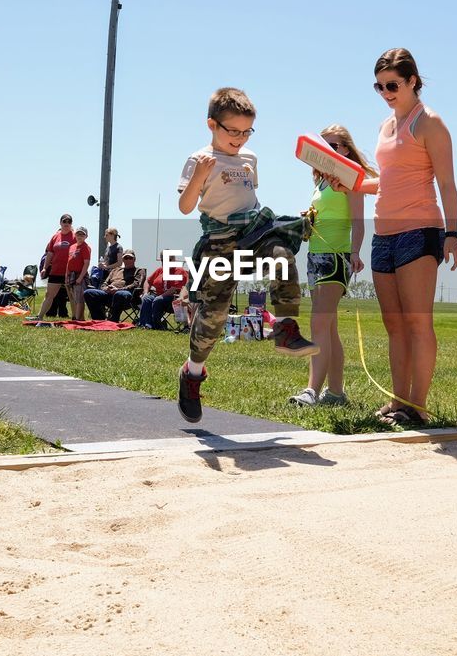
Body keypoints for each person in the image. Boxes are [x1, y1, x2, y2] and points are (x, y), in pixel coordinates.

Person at [176, 87, 316, 423]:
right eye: (232, 131)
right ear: (212, 124)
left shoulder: (250, 158)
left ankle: (284, 326)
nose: (239, 139)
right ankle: (192, 373)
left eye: (246, 131)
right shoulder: (199, 160)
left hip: (252, 232)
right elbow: (184, 207)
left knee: (281, 254)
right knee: (215, 313)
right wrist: (198, 177)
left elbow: (247, 198)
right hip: (220, 241)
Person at [344, 49, 457, 427]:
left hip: (419, 231)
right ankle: (398, 402)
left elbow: (446, 183)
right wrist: (351, 181)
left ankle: (419, 406)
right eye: (379, 86)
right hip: (384, 235)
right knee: (393, 324)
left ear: (413, 81)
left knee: (417, 323)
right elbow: (388, 181)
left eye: (392, 85)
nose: (385, 92)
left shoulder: (430, 123)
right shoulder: (385, 127)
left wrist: (452, 234)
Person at [290, 125, 374, 407]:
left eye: (334, 147)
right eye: (324, 148)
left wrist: (355, 252)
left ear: (346, 149)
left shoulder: (351, 179)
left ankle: (311, 391)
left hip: (335, 258)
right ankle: (336, 394)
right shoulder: (321, 181)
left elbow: (358, 221)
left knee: (319, 322)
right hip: (315, 255)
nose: (328, 153)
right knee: (329, 327)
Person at [30, 214, 76, 321]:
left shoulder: (74, 237)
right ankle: (40, 316)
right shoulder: (55, 236)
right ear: (60, 222)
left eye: (69, 222)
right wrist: (45, 268)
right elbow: (49, 254)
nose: (66, 224)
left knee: (72, 296)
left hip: (69, 272)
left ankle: (75, 318)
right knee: (49, 295)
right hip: (55, 271)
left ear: (71, 224)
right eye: (64, 221)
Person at [86, 248, 145, 322]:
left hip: (127, 298)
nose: (128, 260)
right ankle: (99, 320)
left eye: (130, 258)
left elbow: (137, 284)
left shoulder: (139, 271)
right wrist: (106, 288)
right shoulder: (115, 270)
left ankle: (113, 320)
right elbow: (104, 283)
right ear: (123, 260)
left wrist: (118, 290)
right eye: (126, 258)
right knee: (89, 293)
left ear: (134, 259)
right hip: (109, 294)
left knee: (120, 294)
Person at [139, 251, 188, 329]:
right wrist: (145, 292)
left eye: (168, 260)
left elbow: (174, 288)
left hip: (172, 298)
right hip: (158, 295)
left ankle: (157, 325)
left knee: (158, 300)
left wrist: (161, 296)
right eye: (163, 260)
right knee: (146, 298)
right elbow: (148, 281)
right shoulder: (159, 270)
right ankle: (146, 324)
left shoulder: (179, 271)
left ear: (173, 260)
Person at [66, 226, 93, 321]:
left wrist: (80, 277)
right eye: (78, 234)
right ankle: (80, 318)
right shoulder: (72, 247)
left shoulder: (85, 247)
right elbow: (69, 262)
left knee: (80, 299)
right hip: (71, 275)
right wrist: (67, 275)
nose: (80, 236)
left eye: (82, 234)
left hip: (79, 275)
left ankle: (77, 320)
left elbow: (86, 263)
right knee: (74, 298)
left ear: (86, 236)